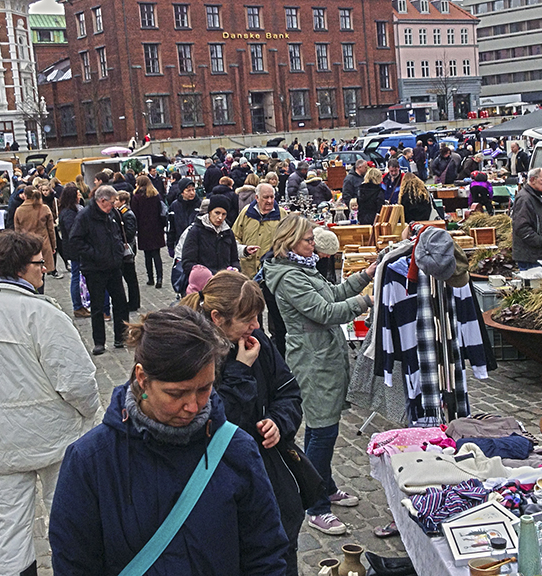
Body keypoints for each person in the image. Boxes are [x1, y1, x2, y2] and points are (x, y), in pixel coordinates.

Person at [49, 306, 290, 575]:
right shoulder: (90, 461)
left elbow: (265, 556)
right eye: (176, 394)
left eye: (204, 389)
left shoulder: (238, 451)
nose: (193, 406)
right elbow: (74, 565)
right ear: (142, 379)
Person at [0, 231, 100, 576]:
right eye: (39, 264)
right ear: (20, 268)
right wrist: (90, 415)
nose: (44, 270)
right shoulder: (42, 315)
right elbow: (77, 381)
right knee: (65, 517)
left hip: (0, 440)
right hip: (53, 438)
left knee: (9, 526)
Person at [180, 270, 305, 575]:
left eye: (257, 316)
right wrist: (239, 370)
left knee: (280, 552)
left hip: (269, 475)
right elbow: (213, 424)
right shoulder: (191, 354)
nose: (257, 326)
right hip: (217, 484)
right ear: (217, 318)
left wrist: (278, 422)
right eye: (247, 319)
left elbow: (288, 392)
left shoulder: (255, 341)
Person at [263, 215, 375, 536]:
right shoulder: (289, 277)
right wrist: (366, 301)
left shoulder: (303, 267)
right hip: (312, 361)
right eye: (309, 239)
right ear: (290, 242)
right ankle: (315, 506)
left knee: (319, 428)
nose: (314, 244)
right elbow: (325, 312)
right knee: (323, 431)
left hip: (324, 355)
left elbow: (333, 294)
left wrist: (364, 276)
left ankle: (324, 487)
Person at [67, 186, 129, 355]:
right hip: (94, 269)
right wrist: (95, 254)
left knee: (121, 302)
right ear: (102, 201)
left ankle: (121, 336)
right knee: (98, 306)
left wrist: (118, 253)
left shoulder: (113, 214)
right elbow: (75, 240)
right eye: (112, 201)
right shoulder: (85, 216)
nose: (114, 205)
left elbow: (118, 234)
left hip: (114, 266)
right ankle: (99, 342)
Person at [181, 194, 247, 275]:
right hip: (203, 282)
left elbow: (234, 259)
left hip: (225, 281)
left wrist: (236, 268)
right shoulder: (196, 231)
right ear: (209, 212)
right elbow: (188, 262)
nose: (220, 217)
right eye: (217, 213)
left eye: (224, 214)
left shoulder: (228, 232)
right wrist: (208, 274)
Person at [233, 183, 285, 280]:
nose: (269, 201)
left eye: (272, 197)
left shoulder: (282, 214)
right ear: (257, 198)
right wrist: (244, 250)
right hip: (247, 271)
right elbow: (234, 238)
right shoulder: (246, 212)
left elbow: (289, 240)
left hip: (271, 272)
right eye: (265, 197)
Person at [511, 167, 542, 270]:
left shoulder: (534, 196)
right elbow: (521, 227)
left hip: (536, 256)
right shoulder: (525, 199)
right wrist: (540, 242)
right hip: (530, 257)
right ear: (532, 180)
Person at [13, 188, 57, 285]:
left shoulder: (19, 210)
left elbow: (17, 232)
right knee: (42, 273)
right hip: (43, 244)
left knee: (28, 272)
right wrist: (53, 246)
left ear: (25, 195)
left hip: (26, 245)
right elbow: (51, 230)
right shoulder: (44, 208)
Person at [58, 184, 89, 318]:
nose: (79, 196)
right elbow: (73, 231)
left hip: (75, 248)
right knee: (76, 276)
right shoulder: (68, 213)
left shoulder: (74, 209)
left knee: (78, 276)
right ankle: (78, 306)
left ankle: (82, 304)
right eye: (77, 194)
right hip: (75, 249)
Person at [130, 175, 166, 290]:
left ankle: (150, 278)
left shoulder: (136, 197)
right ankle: (159, 278)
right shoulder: (156, 195)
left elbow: (134, 214)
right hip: (156, 228)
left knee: (147, 255)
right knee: (157, 254)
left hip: (144, 228)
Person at [113, 191, 141, 312]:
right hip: (124, 249)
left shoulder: (127, 214)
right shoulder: (120, 213)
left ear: (123, 201)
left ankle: (134, 302)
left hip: (127, 250)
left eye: (117, 200)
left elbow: (129, 233)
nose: (115, 202)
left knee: (130, 278)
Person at [166, 180, 200, 258]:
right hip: (181, 244)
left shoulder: (199, 205)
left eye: (193, 190)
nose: (192, 193)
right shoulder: (174, 206)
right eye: (188, 190)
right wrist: (170, 245)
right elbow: (170, 227)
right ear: (182, 192)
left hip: (197, 245)